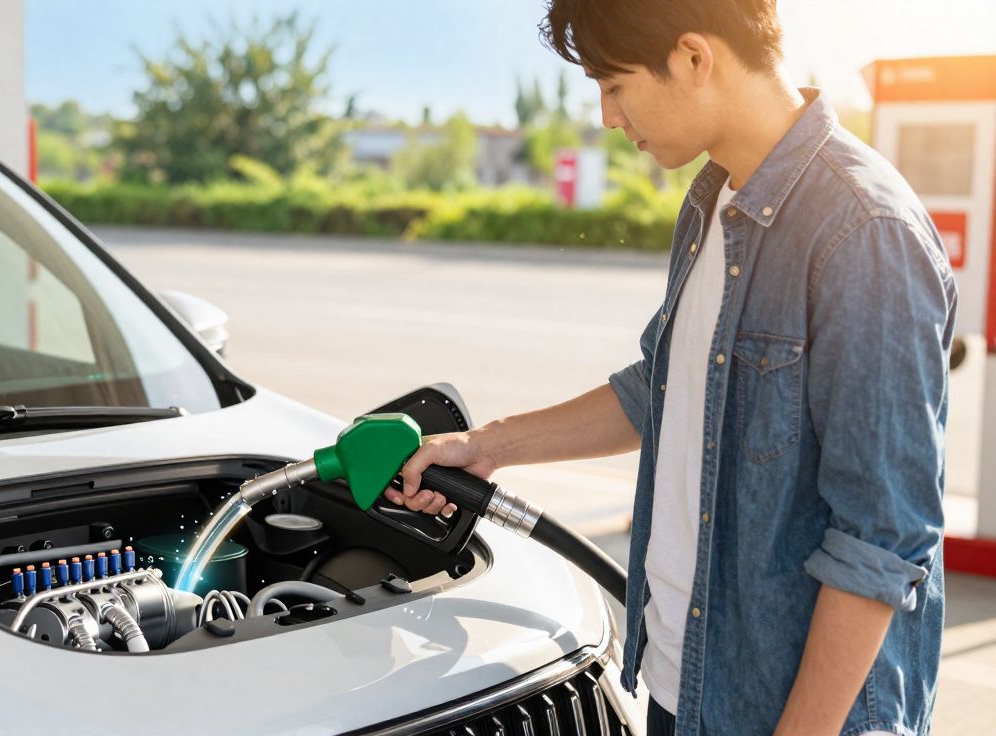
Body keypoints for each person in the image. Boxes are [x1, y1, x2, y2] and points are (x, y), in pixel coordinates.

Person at [389, 1, 954, 734]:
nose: (608, 117)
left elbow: (880, 541)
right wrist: (486, 447)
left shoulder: (864, 232)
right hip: (685, 686)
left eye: (614, 85)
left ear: (693, 57)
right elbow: (660, 388)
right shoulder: (713, 199)